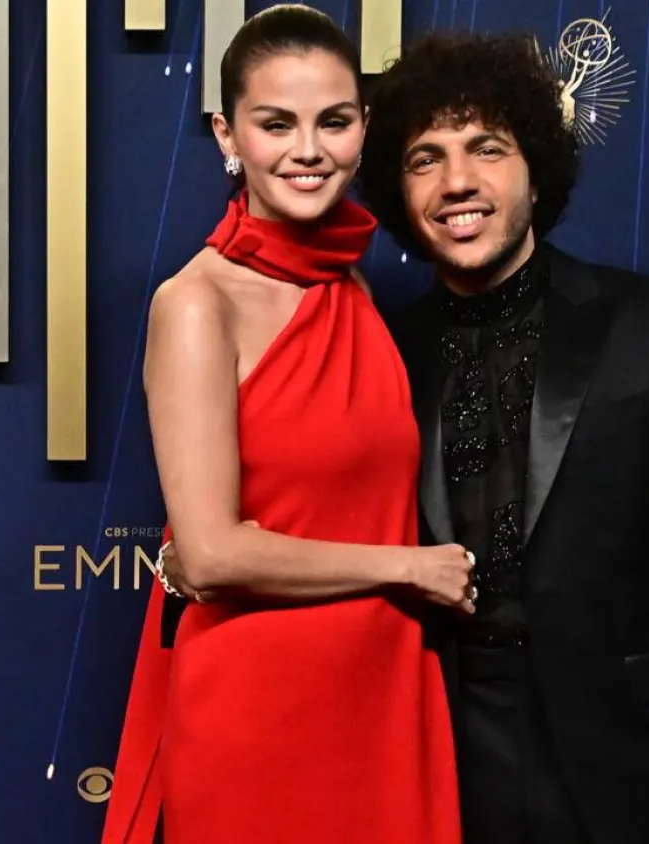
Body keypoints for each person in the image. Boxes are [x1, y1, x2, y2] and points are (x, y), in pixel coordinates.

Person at [354, 31, 649, 844]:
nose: (457, 183)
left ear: (535, 168)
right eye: (425, 158)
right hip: (440, 748)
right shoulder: (380, 349)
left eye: (487, 147)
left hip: (629, 753)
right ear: (396, 190)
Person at [101, 7, 470, 843]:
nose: (309, 150)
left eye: (333, 121)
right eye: (277, 123)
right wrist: (409, 568)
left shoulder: (351, 290)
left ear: (363, 129)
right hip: (262, 704)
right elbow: (211, 553)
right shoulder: (196, 304)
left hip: (381, 690)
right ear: (229, 134)